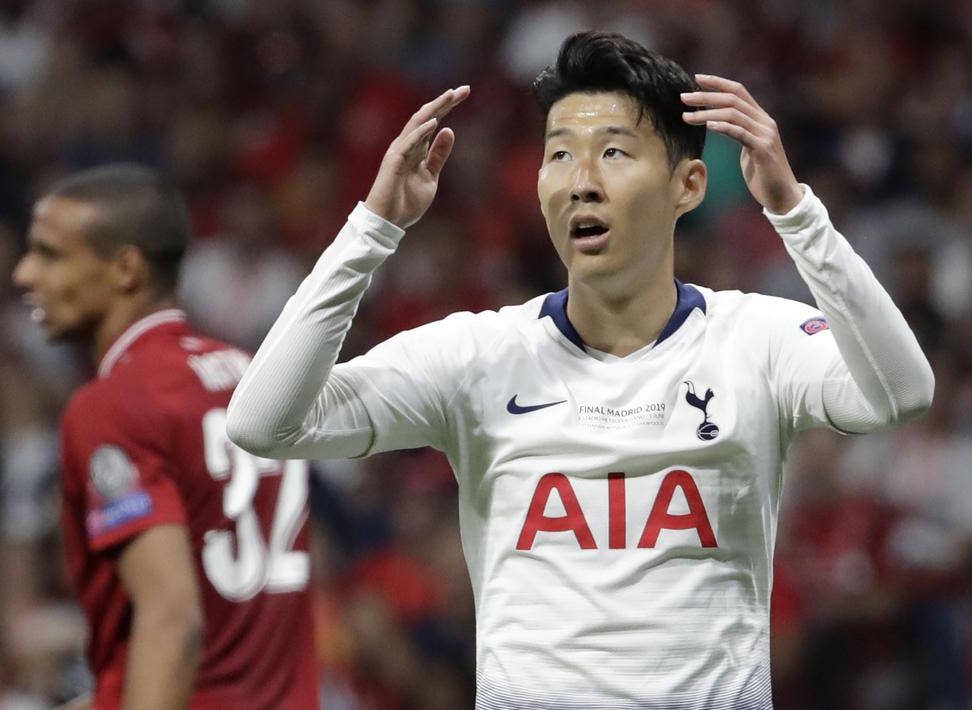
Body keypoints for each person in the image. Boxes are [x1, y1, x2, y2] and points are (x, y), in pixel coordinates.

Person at [227, 31, 934, 709]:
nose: (581, 182)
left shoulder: (755, 339)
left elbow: (900, 393)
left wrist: (794, 212)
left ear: (687, 185)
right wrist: (373, 228)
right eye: (558, 155)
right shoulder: (478, 355)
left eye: (614, 153)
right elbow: (263, 422)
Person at [12, 165, 317, 710]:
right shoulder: (254, 376)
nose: (24, 274)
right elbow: (223, 649)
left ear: (125, 268)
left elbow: (172, 622)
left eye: (50, 255)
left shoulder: (111, 406)